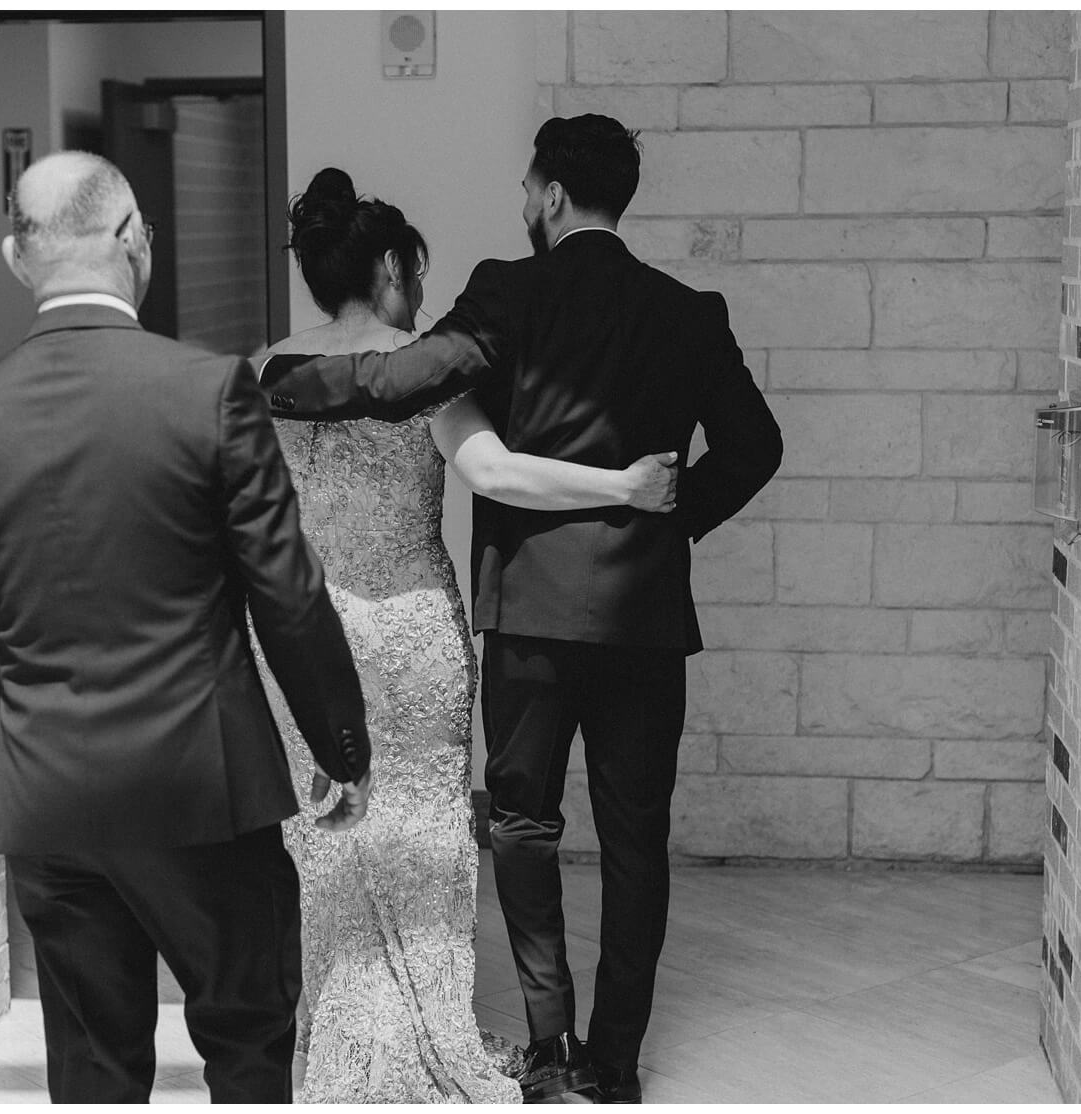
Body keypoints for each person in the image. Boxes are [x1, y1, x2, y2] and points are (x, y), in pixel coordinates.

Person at [265, 116, 783, 1103]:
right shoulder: (690, 311)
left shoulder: (503, 290)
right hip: (642, 620)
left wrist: (290, 381)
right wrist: (670, 519)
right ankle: (615, 1061)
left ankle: (549, 1047)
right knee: (636, 840)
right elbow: (758, 446)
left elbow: (405, 383)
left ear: (548, 194)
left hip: (530, 619)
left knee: (525, 825)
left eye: (526, 186)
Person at [0, 151, 371, 1103]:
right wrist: (340, 742)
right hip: (199, 786)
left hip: (51, 800)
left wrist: (28, 741)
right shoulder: (206, 392)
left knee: (90, 1066)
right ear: (132, 240)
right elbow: (285, 593)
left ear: (14, 256)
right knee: (247, 1039)